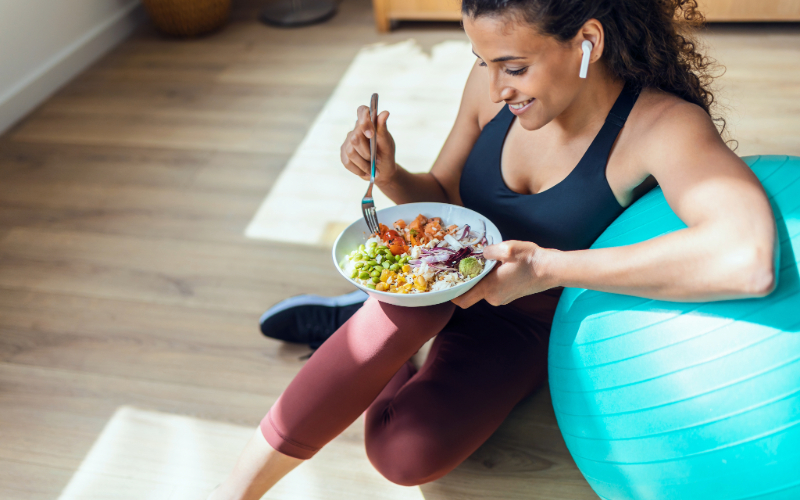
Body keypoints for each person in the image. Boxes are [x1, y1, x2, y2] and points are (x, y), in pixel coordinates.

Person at [209, 0, 778, 498]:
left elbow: (748, 260)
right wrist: (389, 173)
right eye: (482, 62)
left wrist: (544, 268)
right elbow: (441, 197)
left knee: (404, 456)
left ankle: (360, 328)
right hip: (443, 289)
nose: (494, 88)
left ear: (588, 41)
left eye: (513, 67)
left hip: (528, 325)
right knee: (429, 289)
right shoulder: (492, 92)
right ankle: (234, 491)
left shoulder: (661, 127)